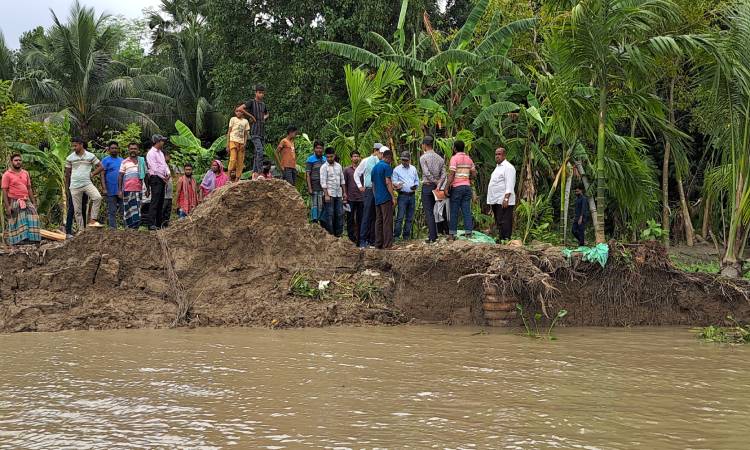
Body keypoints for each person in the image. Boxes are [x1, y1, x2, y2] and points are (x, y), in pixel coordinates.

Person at [65, 137, 104, 231]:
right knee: (77, 210)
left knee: (97, 197)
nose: (74, 148)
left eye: (75, 145)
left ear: (81, 144)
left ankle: (93, 220)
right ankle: (81, 231)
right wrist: (67, 187)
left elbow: (101, 166)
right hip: (74, 186)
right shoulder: (70, 158)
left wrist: (92, 174)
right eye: (72, 146)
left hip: (87, 183)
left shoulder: (90, 156)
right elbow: (67, 173)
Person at [2, 153, 41, 245]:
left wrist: (34, 202)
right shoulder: (7, 175)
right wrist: (7, 206)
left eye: (19, 160)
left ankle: (33, 239)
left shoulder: (25, 173)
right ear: (11, 162)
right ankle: (19, 240)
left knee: (33, 215)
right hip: (14, 201)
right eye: (16, 160)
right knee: (18, 220)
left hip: (26, 200)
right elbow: (4, 191)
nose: (18, 162)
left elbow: (29, 188)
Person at [354, 143, 385, 248]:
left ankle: (372, 239)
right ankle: (363, 240)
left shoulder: (381, 162)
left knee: (375, 216)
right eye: (380, 152)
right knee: (366, 215)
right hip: (369, 190)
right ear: (376, 151)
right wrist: (359, 186)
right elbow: (356, 173)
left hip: (379, 191)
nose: (381, 155)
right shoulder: (366, 161)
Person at [446, 140, 477, 240]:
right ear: (463, 148)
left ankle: (452, 235)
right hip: (467, 187)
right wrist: (468, 179)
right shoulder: (469, 159)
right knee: (466, 210)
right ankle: (468, 233)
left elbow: (451, 174)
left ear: (454, 148)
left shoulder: (454, 158)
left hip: (457, 188)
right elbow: (474, 173)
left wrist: (446, 187)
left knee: (454, 211)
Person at [238, 84, 269, 178]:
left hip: (262, 131)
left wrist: (263, 118)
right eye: (259, 93)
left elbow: (267, 113)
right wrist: (251, 116)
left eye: (262, 93)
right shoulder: (251, 102)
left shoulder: (263, 104)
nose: (261, 95)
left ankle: (254, 173)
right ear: (256, 93)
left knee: (257, 153)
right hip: (255, 131)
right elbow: (240, 108)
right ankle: (260, 172)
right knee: (260, 151)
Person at [487, 147, 516, 241]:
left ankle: (506, 238)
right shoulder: (497, 167)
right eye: (496, 154)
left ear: (504, 155)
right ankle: (501, 238)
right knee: (499, 220)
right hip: (496, 200)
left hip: (503, 199)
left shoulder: (508, 167)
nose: (497, 156)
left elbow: (510, 183)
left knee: (505, 220)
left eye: (499, 154)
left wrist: (506, 198)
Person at [419, 136, 445, 243]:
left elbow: (426, 173)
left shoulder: (423, 158)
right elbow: (444, 174)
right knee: (436, 211)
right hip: (436, 188)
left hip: (427, 186)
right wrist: (439, 184)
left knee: (429, 211)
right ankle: (438, 233)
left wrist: (435, 181)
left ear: (425, 145)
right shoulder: (440, 158)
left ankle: (432, 236)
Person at [371, 148, 396, 250]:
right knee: (387, 221)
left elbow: (373, 184)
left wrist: (375, 195)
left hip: (377, 197)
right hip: (385, 197)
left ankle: (378, 244)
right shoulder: (387, 167)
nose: (391, 161)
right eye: (391, 159)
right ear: (389, 158)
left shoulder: (375, 167)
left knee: (379, 220)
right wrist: (393, 197)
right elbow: (388, 182)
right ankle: (387, 244)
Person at [392, 151, 419, 241]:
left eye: (406, 160)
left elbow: (416, 181)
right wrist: (397, 185)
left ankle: (406, 236)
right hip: (402, 195)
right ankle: (396, 236)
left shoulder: (413, 169)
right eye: (403, 160)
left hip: (412, 195)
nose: (404, 162)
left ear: (409, 160)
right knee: (400, 217)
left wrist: (415, 186)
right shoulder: (396, 169)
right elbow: (394, 181)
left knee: (409, 218)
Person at [118, 142, 146, 229]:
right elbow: (120, 176)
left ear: (138, 150)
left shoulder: (141, 161)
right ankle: (128, 229)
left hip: (139, 189)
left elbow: (147, 175)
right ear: (128, 150)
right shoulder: (124, 162)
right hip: (127, 190)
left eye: (135, 149)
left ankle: (136, 229)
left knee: (137, 210)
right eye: (131, 149)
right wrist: (119, 190)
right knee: (128, 210)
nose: (133, 150)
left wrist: (148, 189)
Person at [320, 147, 346, 237]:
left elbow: (342, 180)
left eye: (331, 156)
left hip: (338, 194)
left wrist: (344, 193)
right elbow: (323, 182)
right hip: (329, 194)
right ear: (325, 157)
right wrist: (326, 195)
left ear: (334, 155)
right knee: (329, 215)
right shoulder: (324, 167)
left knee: (339, 214)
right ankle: (330, 235)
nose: (329, 159)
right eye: (328, 157)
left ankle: (338, 234)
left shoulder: (338, 166)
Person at [146, 135, 170, 230]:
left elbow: (164, 165)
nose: (163, 143)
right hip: (156, 178)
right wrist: (163, 177)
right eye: (162, 141)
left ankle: (159, 223)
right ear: (157, 142)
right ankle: (151, 224)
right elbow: (154, 168)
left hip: (162, 178)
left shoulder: (160, 153)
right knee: (155, 201)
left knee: (161, 201)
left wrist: (168, 173)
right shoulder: (151, 153)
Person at [100, 141, 124, 229]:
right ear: (109, 150)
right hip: (110, 190)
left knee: (123, 210)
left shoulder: (122, 160)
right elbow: (102, 174)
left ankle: (126, 228)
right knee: (112, 211)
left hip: (121, 190)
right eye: (112, 148)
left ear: (118, 149)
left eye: (115, 148)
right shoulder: (105, 160)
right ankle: (112, 228)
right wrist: (104, 188)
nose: (114, 150)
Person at [343, 150, 363, 243]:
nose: (355, 158)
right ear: (351, 158)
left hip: (361, 198)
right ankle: (351, 238)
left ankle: (359, 238)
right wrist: (345, 195)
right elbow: (344, 184)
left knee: (360, 219)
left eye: (357, 156)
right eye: (354, 156)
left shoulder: (363, 169)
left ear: (359, 157)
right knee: (350, 219)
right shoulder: (347, 170)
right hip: (350, 198)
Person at [227, 106, 251, 182]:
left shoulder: (245, 121)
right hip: (233, 141)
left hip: (241, 143)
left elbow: (246, 134)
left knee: (240, 161)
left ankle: (237, 178)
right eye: (237, 111)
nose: (238, 113)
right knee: (233, 159)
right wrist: (227, 144)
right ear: (235, 112)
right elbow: (229, 132)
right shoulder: (233, 119)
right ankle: (229, 177)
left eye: (240, 111)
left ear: (243, 112)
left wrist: (245, 143)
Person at [305, 141, 326, 224]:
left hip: (323, 186)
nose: (319, 150)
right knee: (314, 204)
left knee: (321, 204)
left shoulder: (325, 159)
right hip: (314, 185)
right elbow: (307, 174)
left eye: (320, 148)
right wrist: (309, 188)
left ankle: (321, 221)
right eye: (317, 148)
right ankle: (314, 221)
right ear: (314, 149)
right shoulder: (310, 159)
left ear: (323, 149)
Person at [162, 151, 174, 227]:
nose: (169, 157)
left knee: (168, 211)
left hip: (169, 194)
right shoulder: (162, 166)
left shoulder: (167, 166)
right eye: (167, 155)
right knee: (163, 210)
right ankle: (161, 225)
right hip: (164, 195)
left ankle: (166, 225)